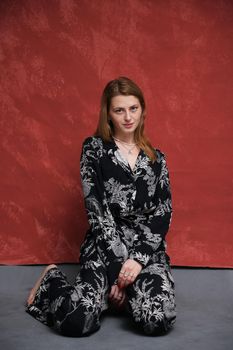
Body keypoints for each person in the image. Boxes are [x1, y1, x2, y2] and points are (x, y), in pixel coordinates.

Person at [26, 77, 176, 336]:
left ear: (142, 110)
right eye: (119, 110)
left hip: (145, 250)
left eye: (133, 108)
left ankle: (125, 300)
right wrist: (118, 273)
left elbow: (163, 213)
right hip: (104, 247)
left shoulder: (157, 158)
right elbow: (98, 214)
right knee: (77, 322)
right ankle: (50, 281)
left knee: (157, 320)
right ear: (108, 114)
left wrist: (137, 261)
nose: (128, 117)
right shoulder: (93, 150)